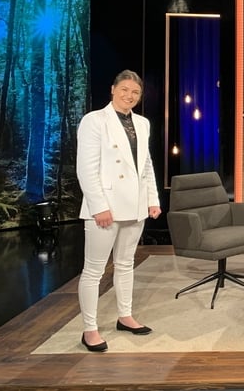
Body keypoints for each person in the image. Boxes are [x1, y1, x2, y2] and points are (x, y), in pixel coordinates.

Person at [76, 70, 161, 353]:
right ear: (113, 90)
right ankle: (90, 329)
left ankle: (125, 316)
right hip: (106, 207)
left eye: (135, 92)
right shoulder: (94, 121)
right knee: (94, 271)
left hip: (135, 206)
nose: (129, 96)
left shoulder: (142, 123)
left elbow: (145, 165)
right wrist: (99, 206)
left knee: (126, 264)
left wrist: (152, 199)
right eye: (124, 90)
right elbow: (86, 169)